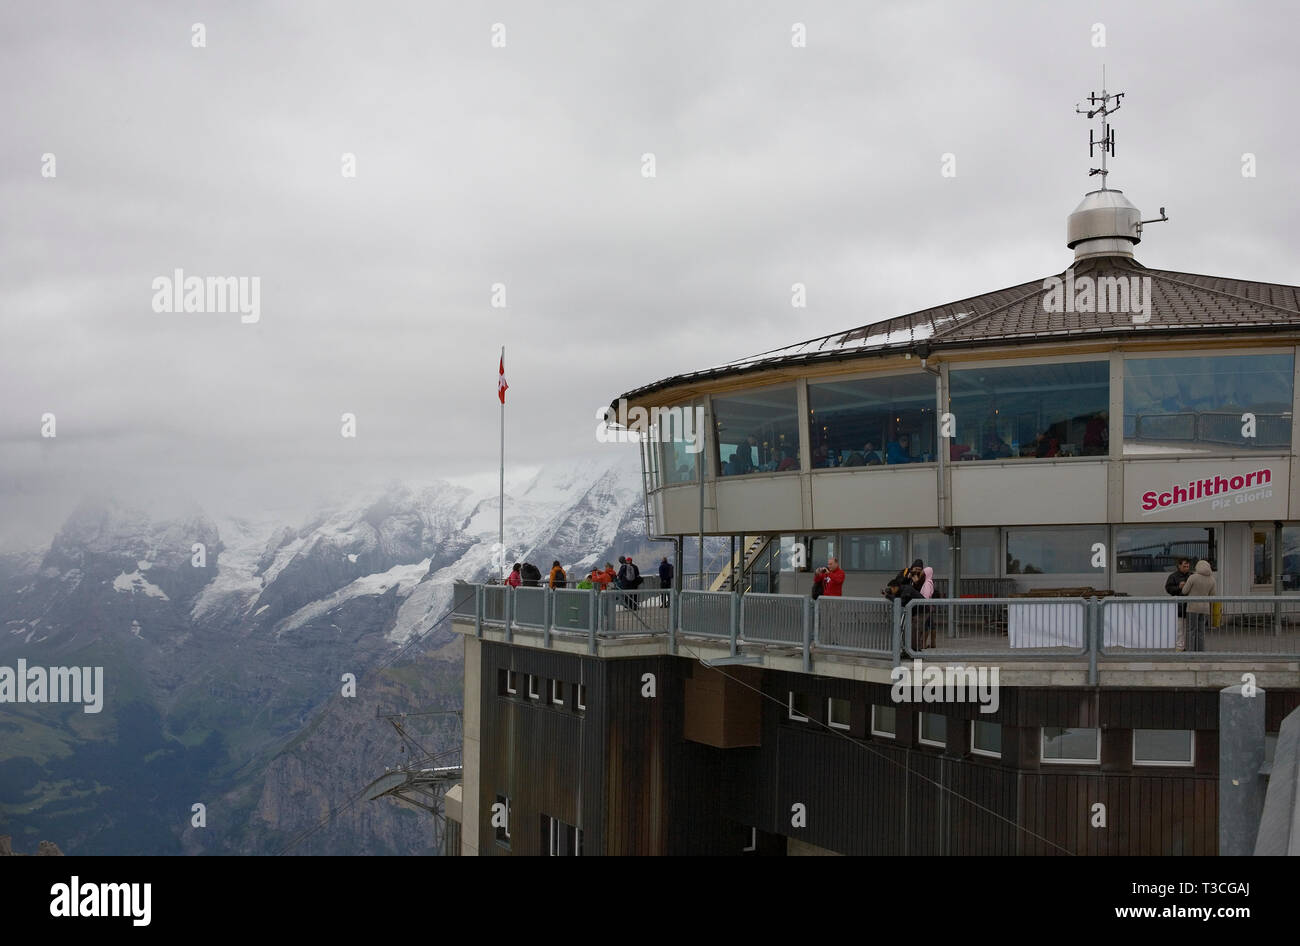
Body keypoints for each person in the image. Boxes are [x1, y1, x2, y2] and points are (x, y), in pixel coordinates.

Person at [1181, 559, 1216, 652]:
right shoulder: (1212, 579)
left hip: (1192, 607)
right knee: (1201, 631)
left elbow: (1184, 591)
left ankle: (1190, 651)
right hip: (1205, 608)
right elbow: (1213, 595)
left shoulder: (1193, 577)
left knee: (1191, 630)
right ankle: (1200, 651)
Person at [1166, 557, 1192, 650]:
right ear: (1179, 566)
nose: (1186, 568)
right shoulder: (1173, 576)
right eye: (1184, 566)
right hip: (1179, 608)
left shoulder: (1192, 576)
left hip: (1190, 607)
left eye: (1188, 566)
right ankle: (1180, 648)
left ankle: (1188, 647)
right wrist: (1178, 587)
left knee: (1190, 630)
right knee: (1180, 629)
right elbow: (1168, 589)